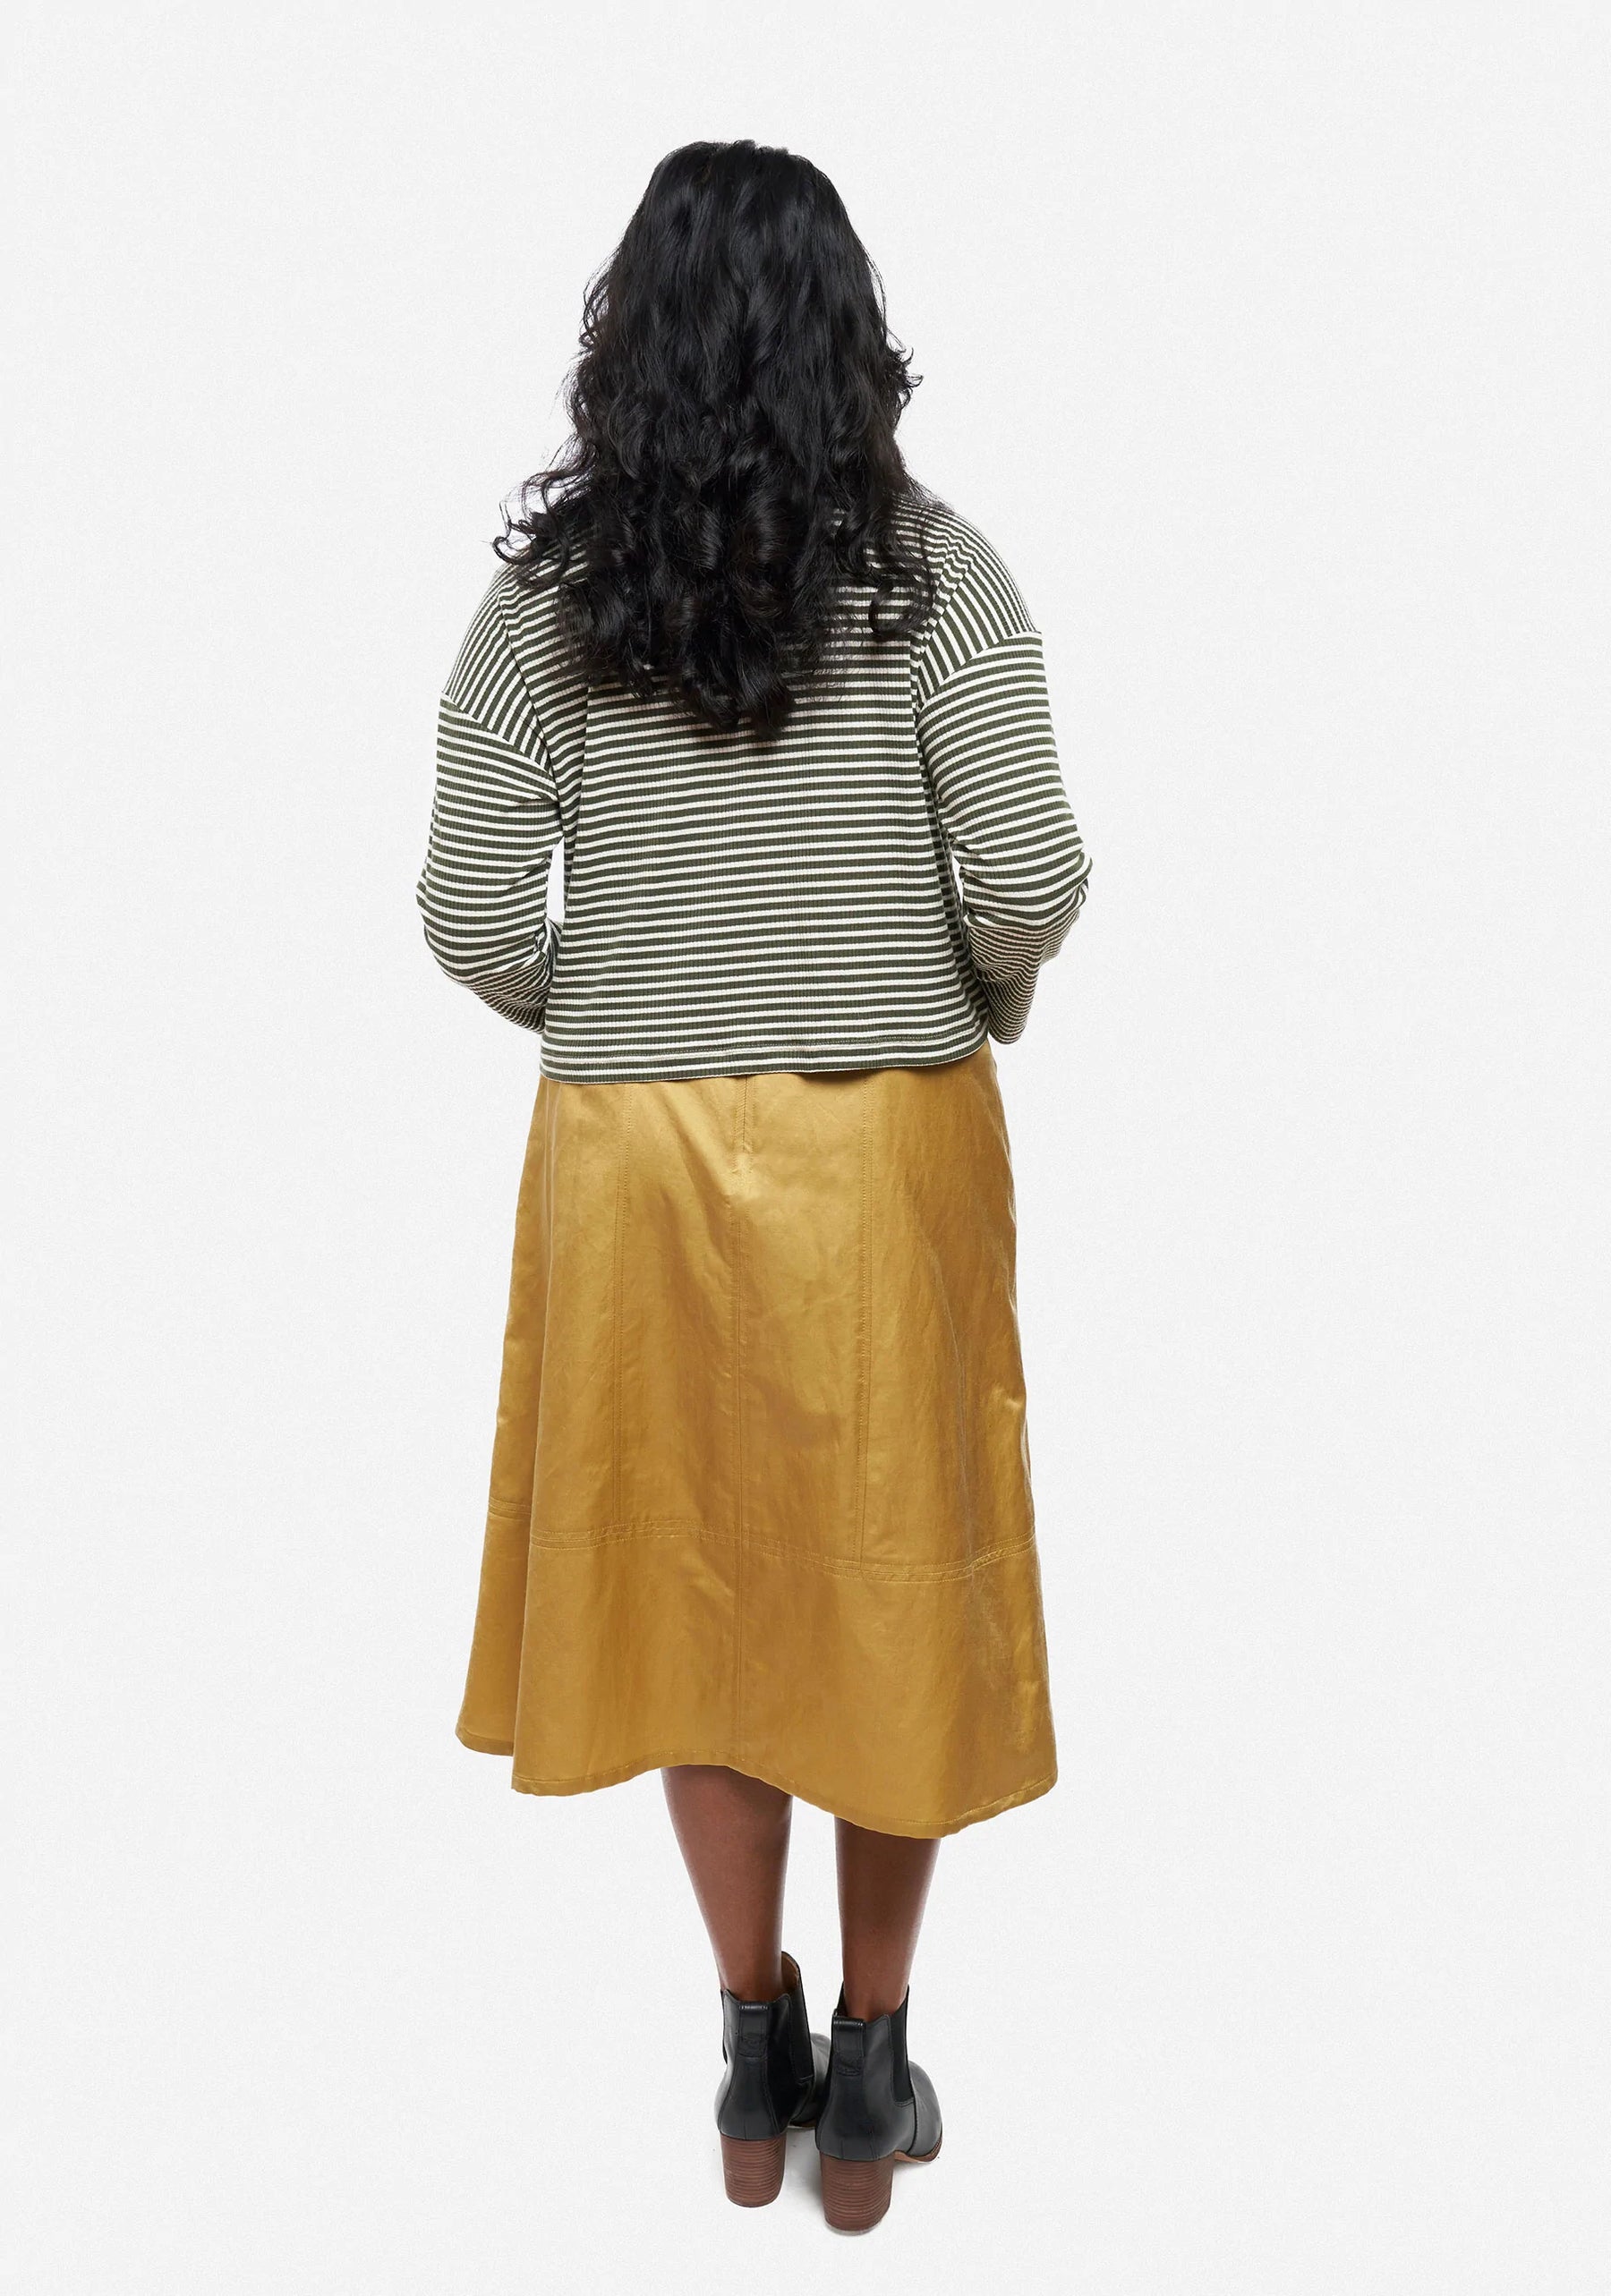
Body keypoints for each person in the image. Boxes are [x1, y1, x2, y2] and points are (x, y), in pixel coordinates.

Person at [417, 138, 1090, 2233]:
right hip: (882, 1147)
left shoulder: (548, 604)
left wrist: (622, 1004)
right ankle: (872, 2062)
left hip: (630, 1162)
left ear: (630, 337)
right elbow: (1032, 872)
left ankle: (748, 2033)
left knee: (693, 1587)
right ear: (849, 336)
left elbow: (464, 910)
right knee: (888, 1578)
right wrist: (971, 986)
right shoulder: (939, 575)